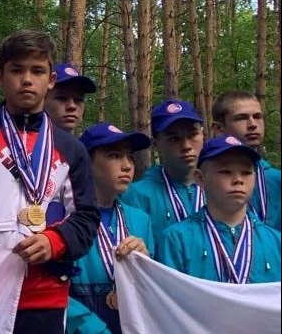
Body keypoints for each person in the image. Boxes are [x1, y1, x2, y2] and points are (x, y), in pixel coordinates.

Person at [0, 30, 98, 334]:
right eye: (16, 70)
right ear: (0, 77)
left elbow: (86, 217)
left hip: (45, 294)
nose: (26, 80)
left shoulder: (71, 149)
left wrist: (55, 241)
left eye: (37, 71)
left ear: (51, 80)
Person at [157, 135, 281, 283]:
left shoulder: (276, 242)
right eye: (225, 172)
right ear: (200, 178)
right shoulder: (176, 239)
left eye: (246, 172)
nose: (238, 180)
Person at [67, 123, 154, 334]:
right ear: (86, 162)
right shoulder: (65, 218)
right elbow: (54, 292)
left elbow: (153, 291)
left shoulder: (140, 220)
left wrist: (146, 264)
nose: (127, 166)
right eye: (115, 155)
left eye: (130, 157)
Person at [120, 100, 206, 243]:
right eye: (174, 139)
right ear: (155, 144)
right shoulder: (136, 196)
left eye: (192, 135)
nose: (186, 146)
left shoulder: (221, 187)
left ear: (203, 135)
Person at [211, 91, 281, 230]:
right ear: (219, 128)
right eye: (241, 118)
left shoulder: (277, 180)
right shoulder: (205, 180)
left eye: (257, 117)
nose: (252, 124)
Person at [45, 63, 97, 133]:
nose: (72, 106)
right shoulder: (33, 138)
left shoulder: (78, 141)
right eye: (62, 98)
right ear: (43, 100)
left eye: (78, 100)